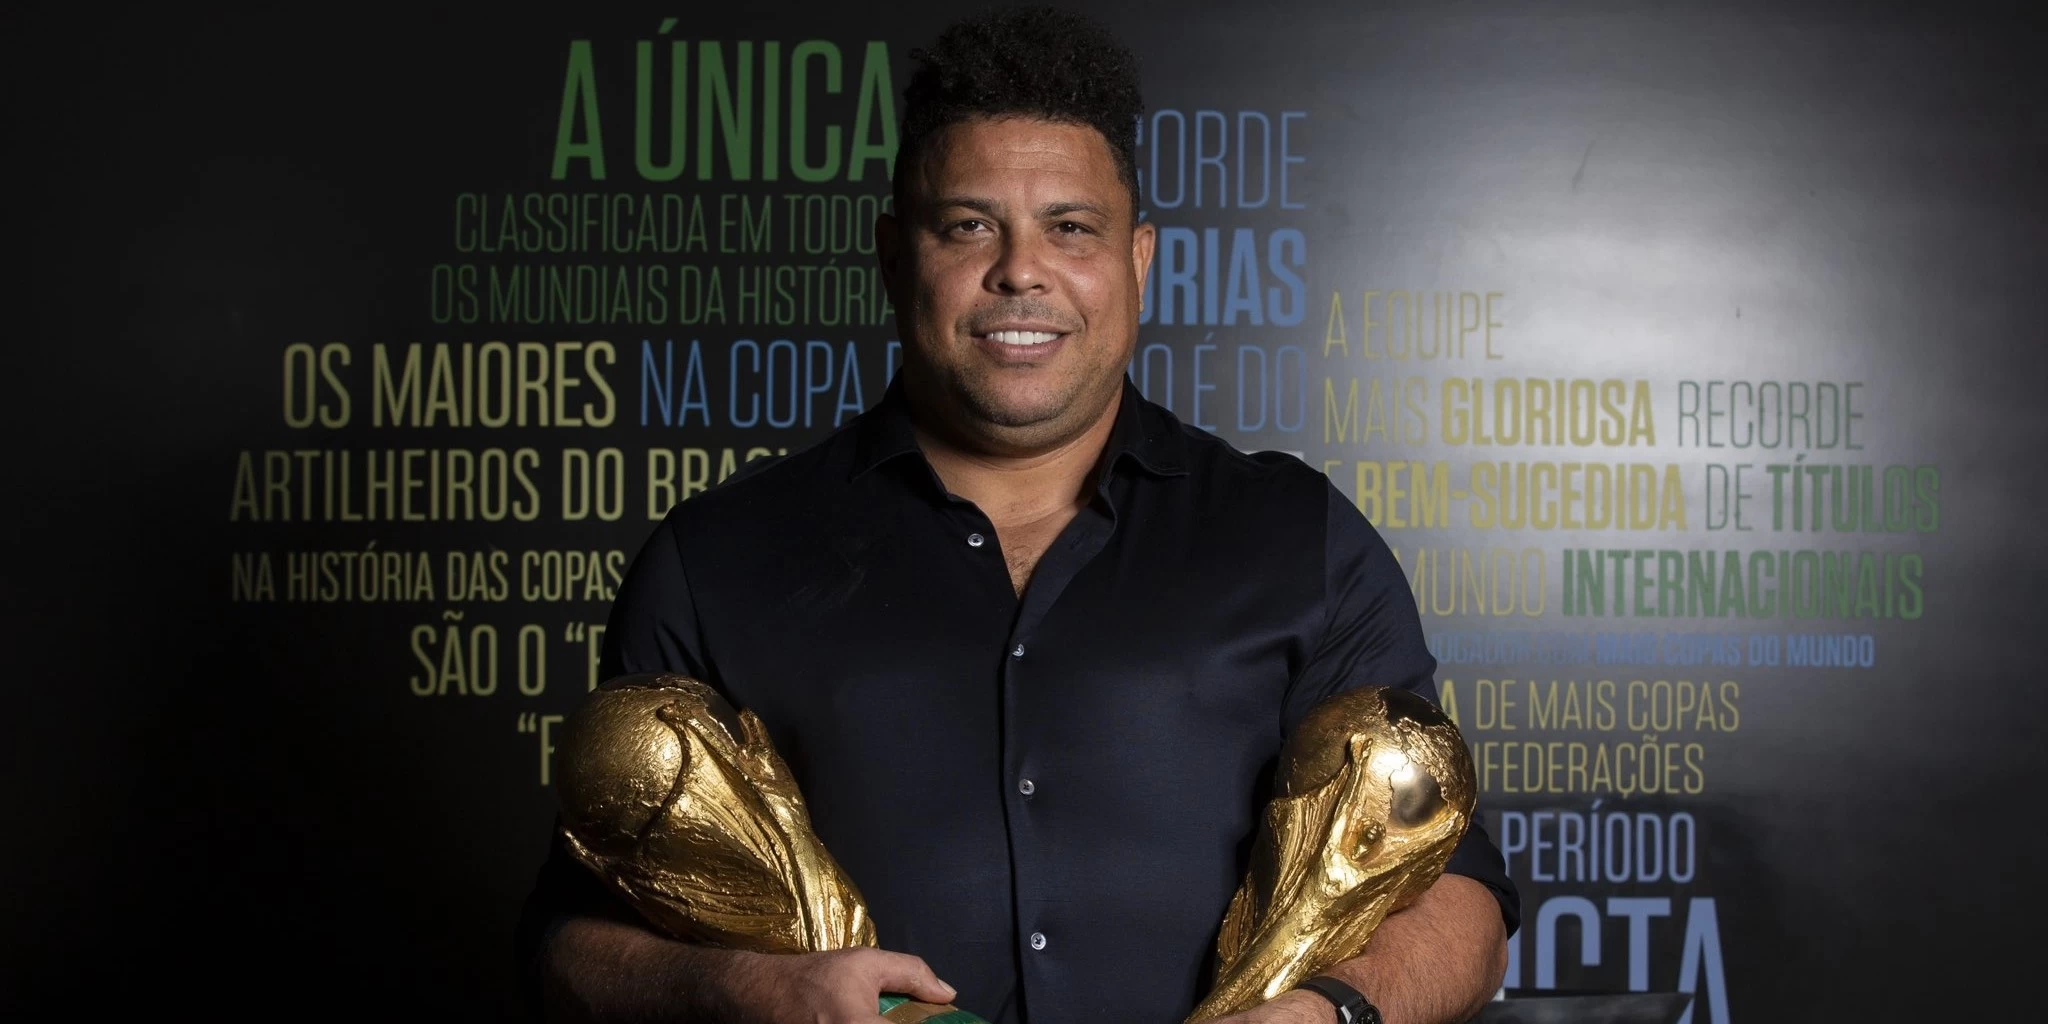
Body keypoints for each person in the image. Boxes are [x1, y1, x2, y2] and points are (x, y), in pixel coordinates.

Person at [518, 8, 1517, 1023]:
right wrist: (743, 989)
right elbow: (571, 945)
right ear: (892, 256)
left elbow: (1458, 899)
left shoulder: (1302, 542)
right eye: (967, 226)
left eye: (1070, 228)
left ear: (1138, 260)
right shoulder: (713, 560)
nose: (1020, 270)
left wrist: (1326, 1013)